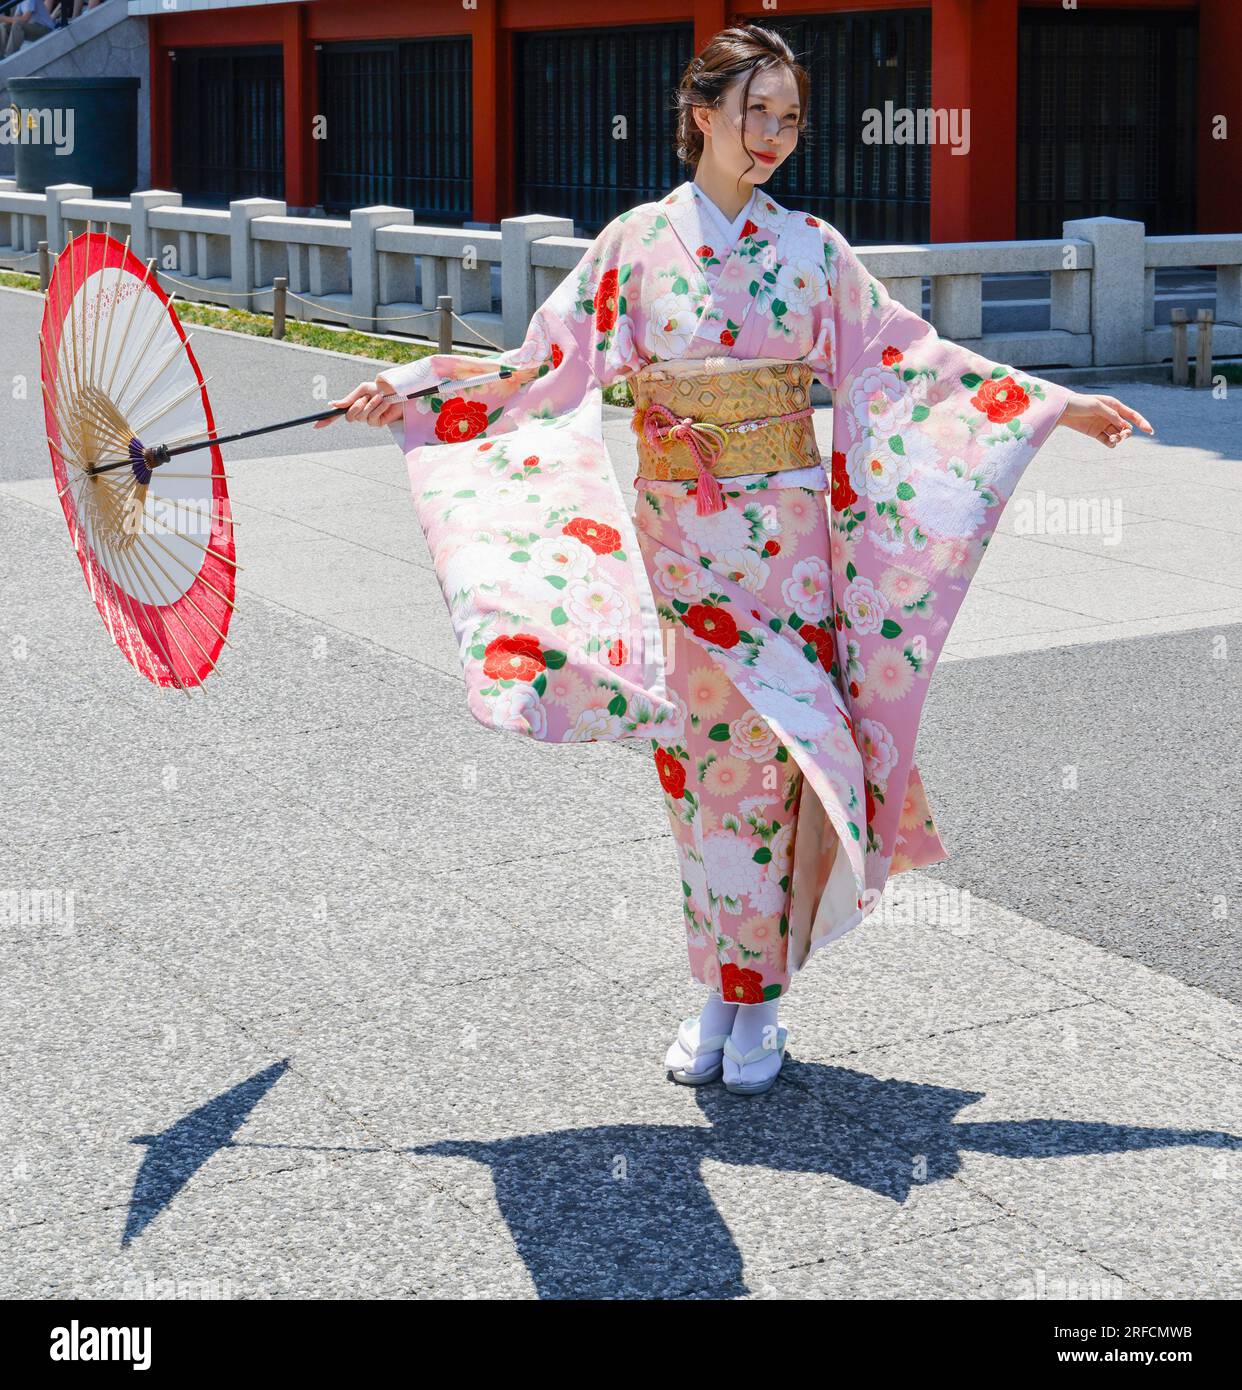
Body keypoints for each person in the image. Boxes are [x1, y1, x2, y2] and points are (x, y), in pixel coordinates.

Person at [320, 25, 1152, 1096]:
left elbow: (910, 360)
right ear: (701, 113)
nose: (772, 136)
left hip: (788, 555)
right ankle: (723, 986)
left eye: (790, 118)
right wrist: (411, 395)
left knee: (781, 763)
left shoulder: (811, 249)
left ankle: (755, 1000)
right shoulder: (631, 247)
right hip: (680, 547)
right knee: (703, 771)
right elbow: (537, 372)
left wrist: (1052, 409)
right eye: (753, 111)